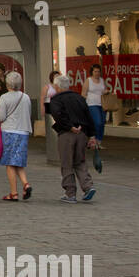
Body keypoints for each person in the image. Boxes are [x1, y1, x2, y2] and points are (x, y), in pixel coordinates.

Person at [47, 75, 96, 204]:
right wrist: (92, 135)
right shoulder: (79, 98)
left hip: (67, 134)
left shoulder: (56, 100)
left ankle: (70, 193)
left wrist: (69, 127)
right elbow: (88, 116)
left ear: (57, 86)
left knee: (66, 162)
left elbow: (58, 115)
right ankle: (88, 186)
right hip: (82, 133)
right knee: (80, 161)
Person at [0, 71, 33, 201]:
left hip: (9, 131)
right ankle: (25, 184)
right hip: (23, 131)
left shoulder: (5, 98)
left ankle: (13, 193)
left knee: (10, 163)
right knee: (18, 161)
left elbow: (0, 116)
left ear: (7, 84)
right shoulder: (26, 97)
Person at [84, 63, 106, 148]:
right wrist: (89, 99)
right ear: (92, 72)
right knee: (97, 122)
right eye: (95, 71)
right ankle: (92, 139)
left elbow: (103, 90)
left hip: (102, 104)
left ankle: (99, 142)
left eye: (98, 71)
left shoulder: (101, 80)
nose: (97, 73)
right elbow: (83, 93)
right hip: (92, 104)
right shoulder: (88, 80)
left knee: (102, 122)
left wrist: (106, 91)